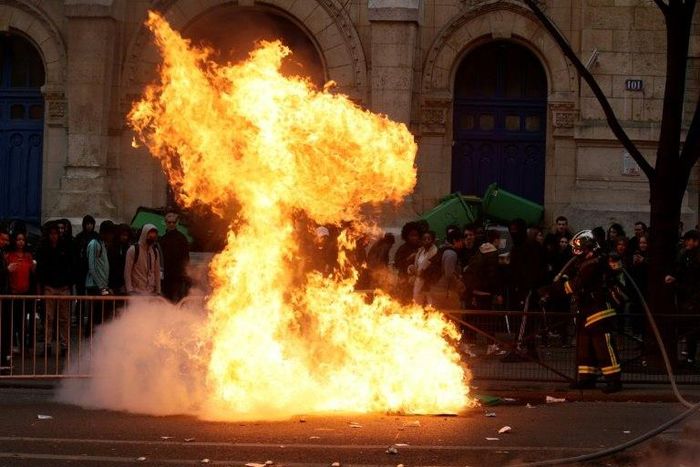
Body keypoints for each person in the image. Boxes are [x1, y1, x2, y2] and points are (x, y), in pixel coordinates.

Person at [539, 230, 623, 393]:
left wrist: (550, 290)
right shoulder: (583, 261)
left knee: (603, 346)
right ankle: (586, 379)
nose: (576, 253)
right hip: (585, 310)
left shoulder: (594, 263)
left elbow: (575, 285)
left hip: (599, 310)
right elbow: (570, 278)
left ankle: (614, 381)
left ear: (588, 247)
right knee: (585, 346)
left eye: (580, 249)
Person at [35, 222, 73, 355]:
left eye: (56, 233)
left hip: (63, 286)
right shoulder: (43, 249)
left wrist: (69, 283)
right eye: (51, 234)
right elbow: (40, 269)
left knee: (64, 318)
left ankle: (64, 345)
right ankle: (47, 344)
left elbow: (70, 266)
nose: (54, 236)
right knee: (48, 317)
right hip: (49, 286)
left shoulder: (65, 247)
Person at [665, 230, 700, 366]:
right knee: (691, 327)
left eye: (688, 240)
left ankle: (690, 356)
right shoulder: (687, 255)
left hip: (692, 296)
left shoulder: (692, 257)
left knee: (692, 327)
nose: (686, 243)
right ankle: (689, 355)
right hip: (689, 295)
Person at [6, 230, 36, 354]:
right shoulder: (9, 256)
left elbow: (33, 273)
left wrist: (34, 266)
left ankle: (24, 346)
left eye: (23, 240)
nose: (20, 242)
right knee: (13, 321)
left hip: (25, 293)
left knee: (23, 321)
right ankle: (13, 345)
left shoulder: (28, 256)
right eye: (18, 239)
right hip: (12, 293)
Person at [428, 229, 465, 310]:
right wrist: (460, 284)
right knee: (452, 316)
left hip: (436, 288)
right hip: (444, 291)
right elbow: (449, 274)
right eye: (461, 241)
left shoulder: (442, 249)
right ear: (455, 241)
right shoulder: (451, 254)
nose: (463, 243)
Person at [159, 212, 190, 303]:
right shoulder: (162, 239)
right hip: (166, 277)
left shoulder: (182, 238)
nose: (171, 224)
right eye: (169, 222)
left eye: (173, 222)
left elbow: (186, 258)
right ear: (166, 223)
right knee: (166, 301)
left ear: (176, 223)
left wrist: (184, 273)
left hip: (178, 276)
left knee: (177, 301)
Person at [125, 224, 161, 296]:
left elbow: (157, 272)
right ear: (145, 234)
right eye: (150, 236)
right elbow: (127, 271)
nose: (152, 238)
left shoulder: (155, 251)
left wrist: (158, 291)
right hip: (136, 292)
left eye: (154, 237)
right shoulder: (133, 250)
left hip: (151, 292)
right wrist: (130, 290)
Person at [393, 222, 422, 303]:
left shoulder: (422, 248)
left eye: (416, 235)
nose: (414, 238)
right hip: (404, 283)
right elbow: (397, 264)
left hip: (419, 283)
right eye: (411, 235)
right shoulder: (402, 249)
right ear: (406, 236)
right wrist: (409, 258)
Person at [409, 231, 437, 306]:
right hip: (418, 281)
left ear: (433, 240)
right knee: (417, 303)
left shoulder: (435, 252)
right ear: (421, 240)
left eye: (429, 239)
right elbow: (416, 266)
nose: (426, 241)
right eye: (424, 239)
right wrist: (411, 269)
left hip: (429, 282)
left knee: (430, 304)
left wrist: (420, 273)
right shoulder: (420, 251)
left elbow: (432, 269)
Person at [74, 215, 98, 295]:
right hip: (81, 270)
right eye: (87, 224)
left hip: (93, 270)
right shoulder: (79, 237)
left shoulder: (96, 236)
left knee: (93, 294)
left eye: (91, 224)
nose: (89, 226)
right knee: (81, 294)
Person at [0, 226, 11, 371]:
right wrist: (6, 270)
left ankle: (3, 358)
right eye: (3, 239)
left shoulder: (3, 252)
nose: (5, 242)